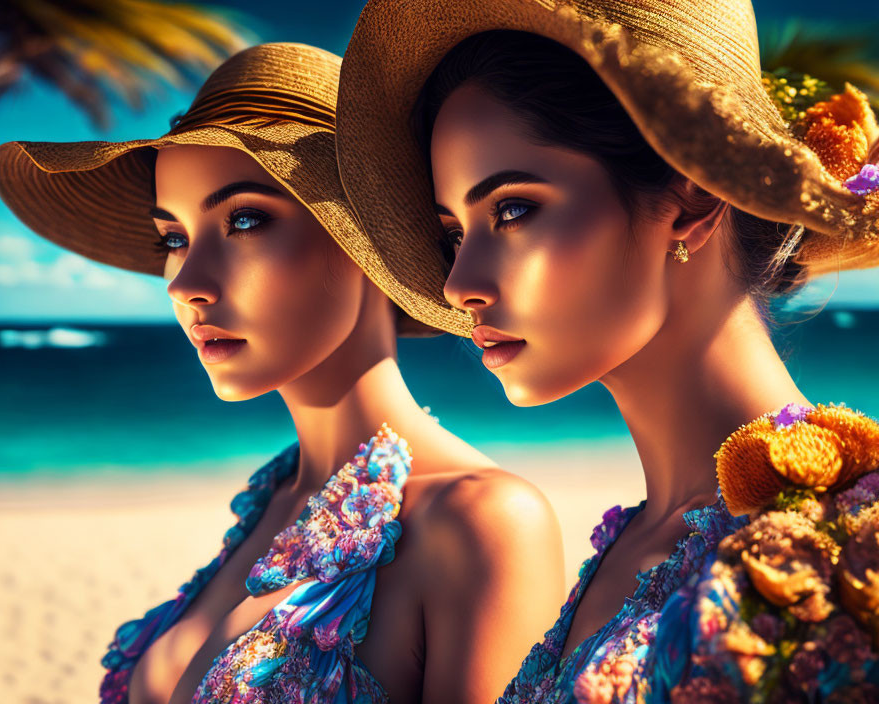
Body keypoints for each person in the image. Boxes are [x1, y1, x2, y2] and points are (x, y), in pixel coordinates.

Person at [333, 1, 879, 701]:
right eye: (454, 233)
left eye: (512, 209)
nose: (459, 283)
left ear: (690, 196)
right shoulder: (635, 544)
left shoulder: (848, 554)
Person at [0, 42, 565, 704]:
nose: (186, 285)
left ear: (366, 244)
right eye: (173, 239)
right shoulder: (274, 498)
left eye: (245, 220)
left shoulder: (482, 521)